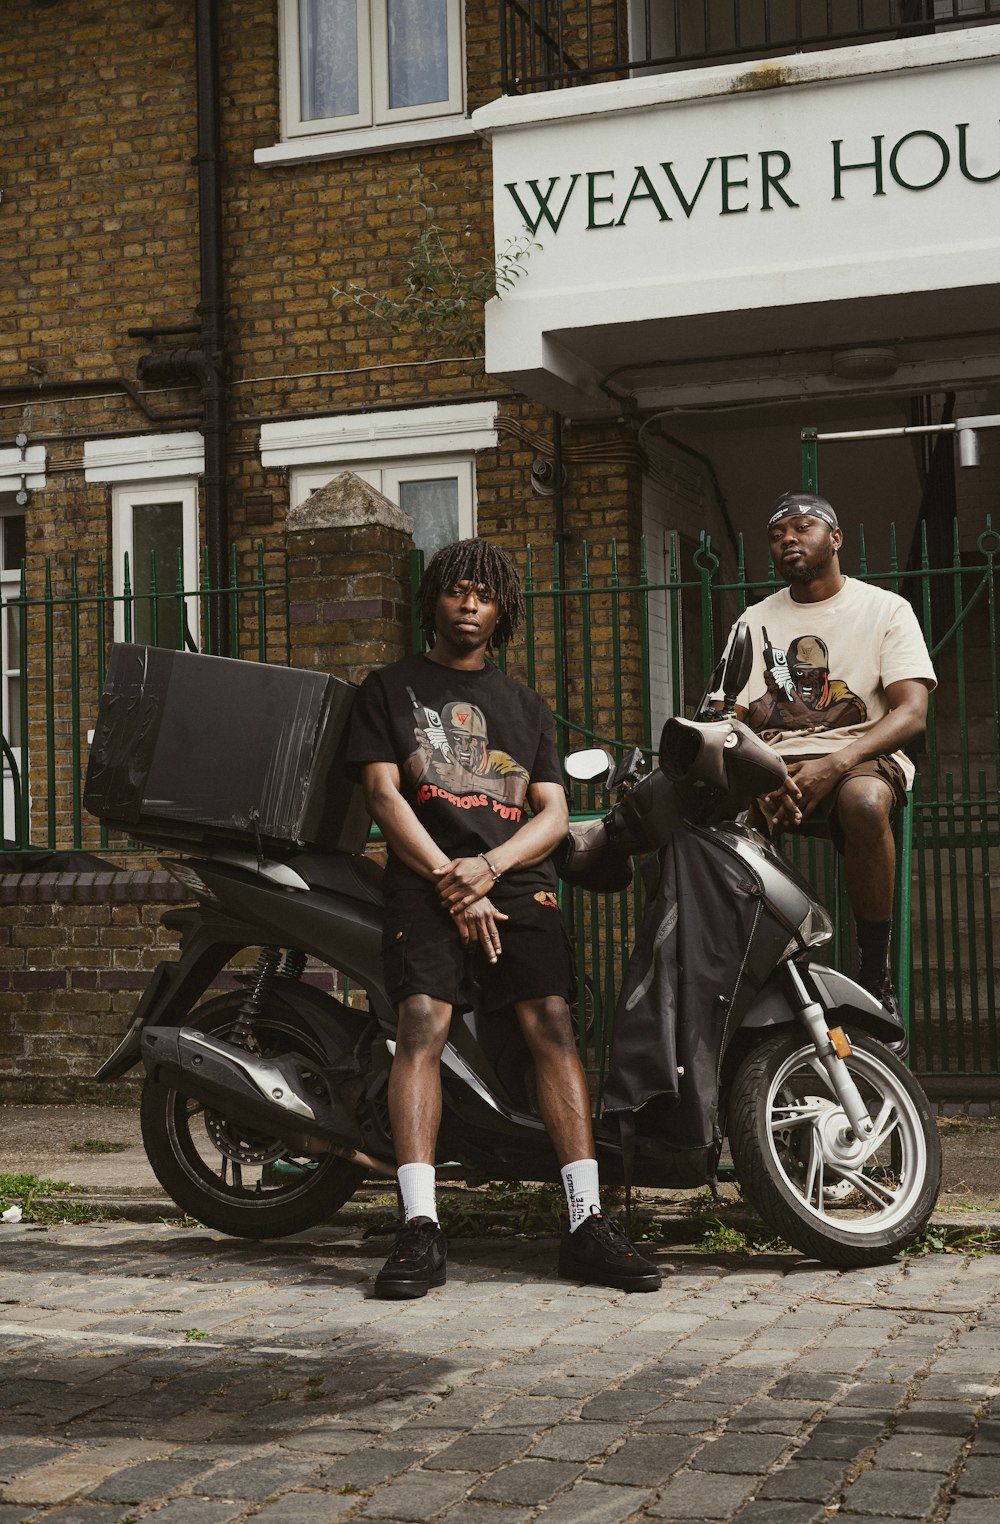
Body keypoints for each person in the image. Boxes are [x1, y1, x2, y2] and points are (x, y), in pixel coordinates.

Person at [346, 537, 661, 1299]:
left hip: (513, 879)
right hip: (427, 879)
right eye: (456, 591)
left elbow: (553, 815)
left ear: (502, 611)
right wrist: (454, 878)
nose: (469, 604)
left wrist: (489, 868)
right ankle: (420, 1228)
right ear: (435, 601)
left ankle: (585, 1224)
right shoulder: (388, 688)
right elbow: (386, 797)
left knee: (551, 1022)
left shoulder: (524, 707)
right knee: (421, 1021)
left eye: (483, 596)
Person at [724, 489, 936, 1015]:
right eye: (776, 535)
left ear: (835, 538)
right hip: (773, 762)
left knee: (862, 802)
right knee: (713, 824)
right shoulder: (752, 621)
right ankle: (758, 976)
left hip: (857, 756)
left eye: (802, 527)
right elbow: (730, 716)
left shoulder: (885, 609)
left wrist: (834, 765)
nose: (788, 540)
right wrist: (762, 770)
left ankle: (873, 969)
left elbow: (911, 713)